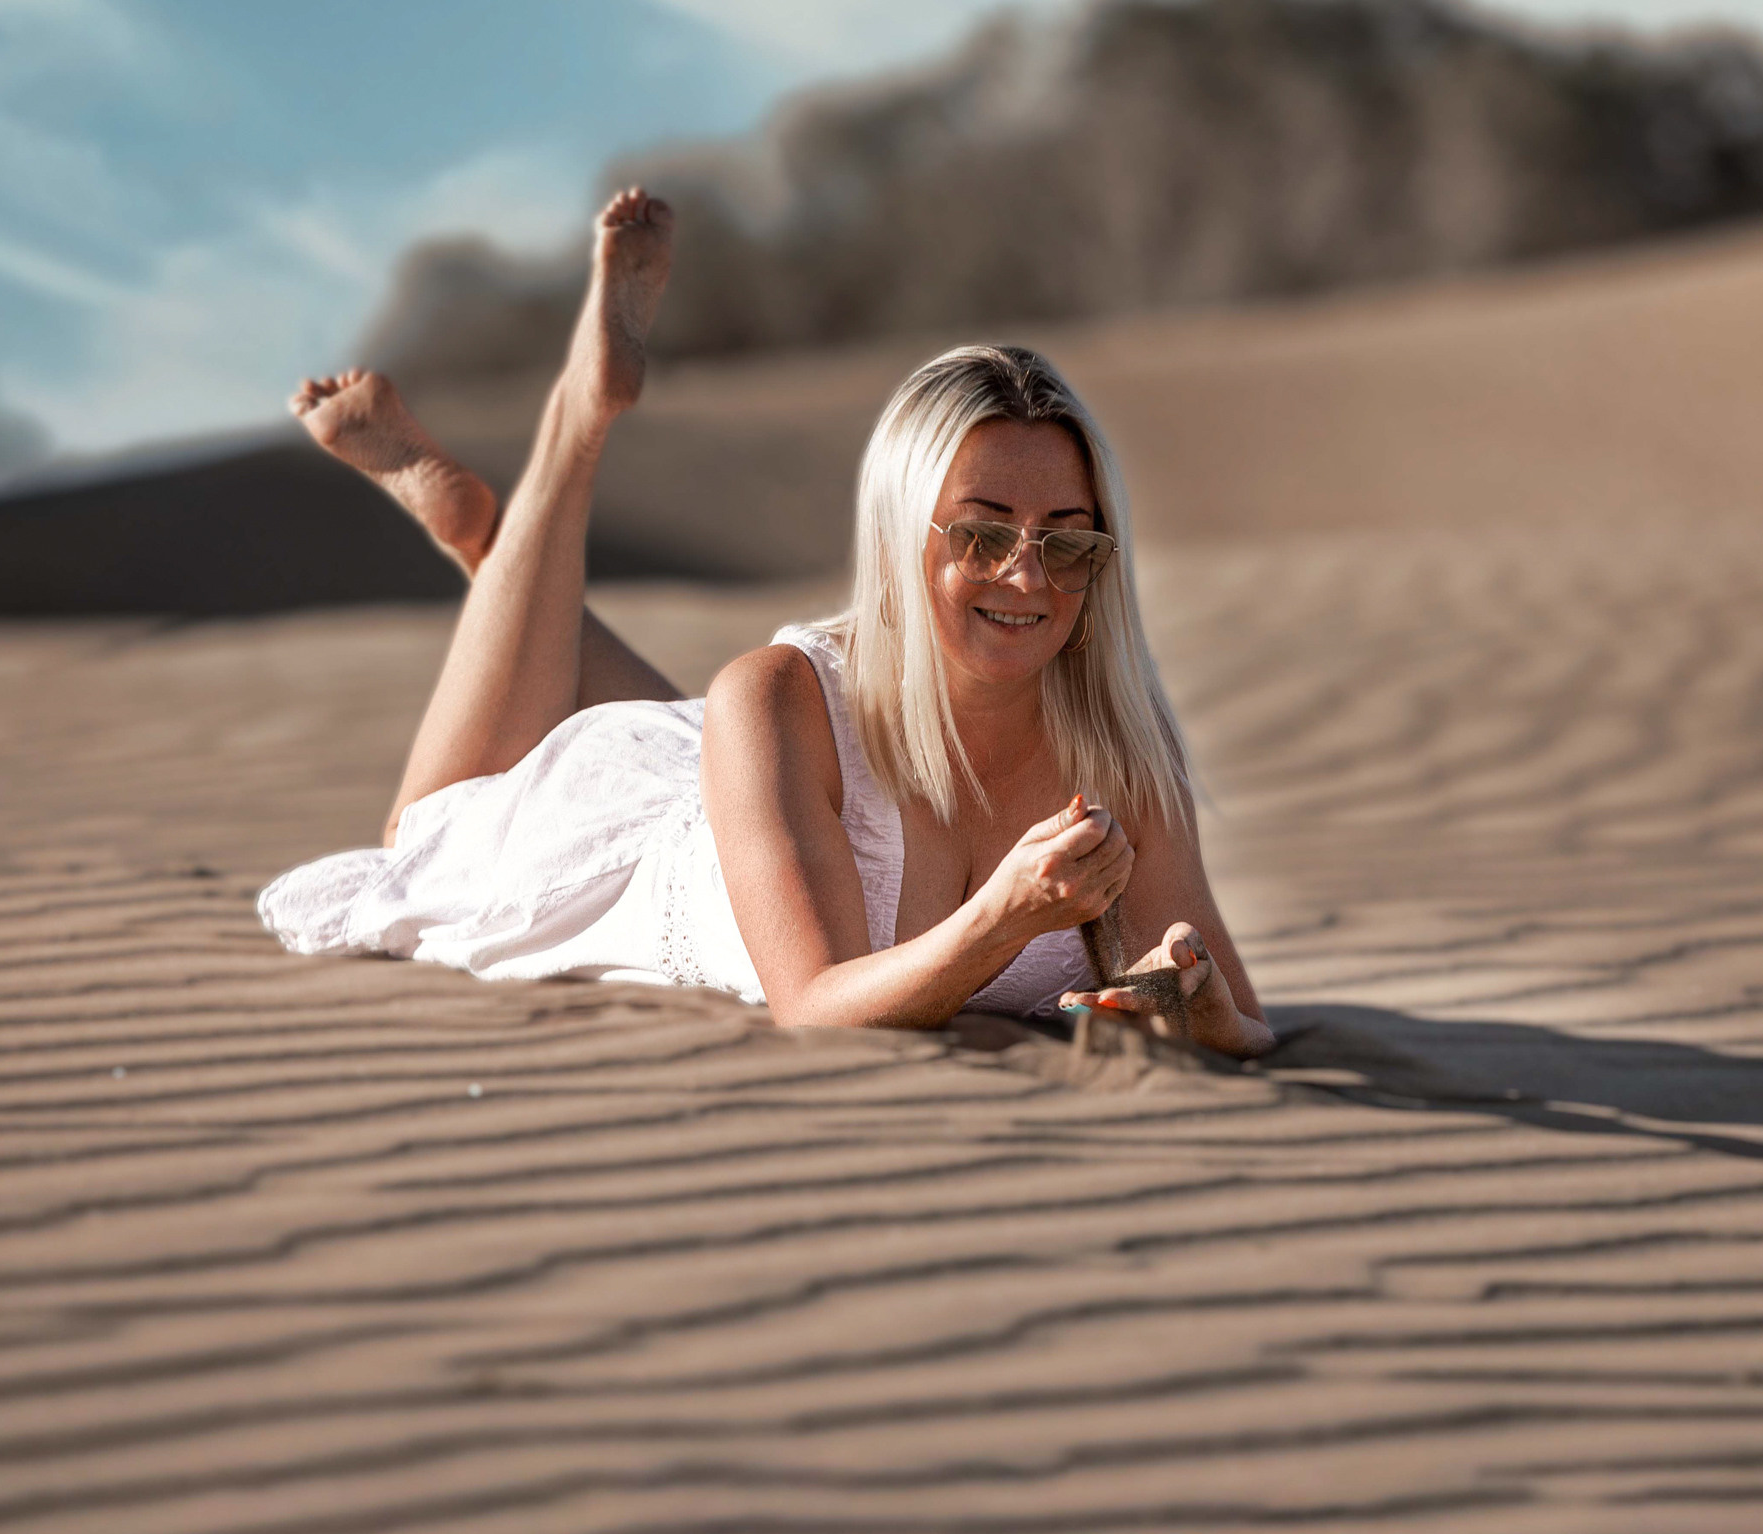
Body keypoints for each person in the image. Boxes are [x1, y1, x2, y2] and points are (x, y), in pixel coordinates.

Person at [261, 189, 1274, 1059]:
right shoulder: (776, 693)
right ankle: (580, 415)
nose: (1027, 574)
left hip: (763, 779)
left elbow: (1241, 1016)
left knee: (667, 716)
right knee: (424, 831)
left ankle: (496, 553)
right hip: (626, 838)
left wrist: (1197, 1007)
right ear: (899, 534)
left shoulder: (1119, 743)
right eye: (980, 533)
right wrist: (1007, 916)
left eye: (1068, 540)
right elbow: (816, 1003)